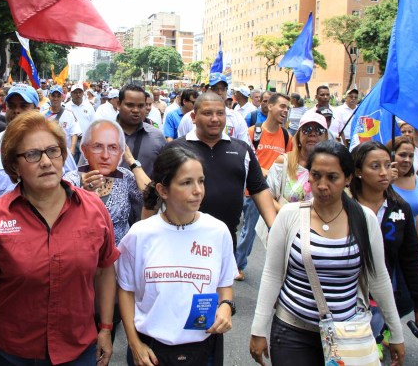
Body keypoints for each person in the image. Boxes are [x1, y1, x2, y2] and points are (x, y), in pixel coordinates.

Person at [0, 112, 119, 366]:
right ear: (14, 165)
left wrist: (105, 328)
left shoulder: (94, 209)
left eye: (53, 151)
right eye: (33, 155)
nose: (46, 162)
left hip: (77, 350)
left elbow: (104, 272)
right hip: (11, 354)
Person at [250, 141, 405, 366]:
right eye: (316, 176)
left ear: (348, 178)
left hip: (347, 335)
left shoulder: (364, 219)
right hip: (292, 331)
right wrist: (258, 329)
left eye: (332, 177)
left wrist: (396, 332)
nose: (322, 185)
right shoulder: (290, 216)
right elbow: (272, 274)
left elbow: (378, 278)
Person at [117, 147, 238, 366]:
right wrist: (134, 343)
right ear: (163, 190)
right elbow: (126, 290)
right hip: (151, 351)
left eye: (201, 181)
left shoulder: (218, 231)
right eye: (186, 183)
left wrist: (226, 306)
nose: (198, 190)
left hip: (204, 349)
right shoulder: (140, 234)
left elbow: (225, 283)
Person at [166, 92, 276, 248]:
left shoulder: (241, 149)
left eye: (220, 113)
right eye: (207, 113)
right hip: (181, 239)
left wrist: (273, 227)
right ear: (193, 117)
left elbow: (259, 188)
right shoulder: (175, 149)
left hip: (226, 241)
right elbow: (156, 193)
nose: (215, 119)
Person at [350, 141, 418, 358]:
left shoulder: (400, 210)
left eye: (387, 165)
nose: (384, 172)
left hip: (378, 297)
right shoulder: (343, 205)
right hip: (341, 296)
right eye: (375, 166)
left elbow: (410, 260)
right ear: (358, 171)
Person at [0, 84, 77, 202]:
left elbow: (73, 181)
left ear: (36, 110)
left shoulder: (54, 145)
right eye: (11, 106)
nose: (17, 111)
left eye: (23, 106)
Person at [235, 93, 292, 281]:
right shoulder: (253, 132)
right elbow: (243, 157)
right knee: (242, 229)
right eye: (282, 106)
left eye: (287, 108)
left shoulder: (286, 136)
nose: (285, 111)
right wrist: (263, 170)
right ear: (269, 107)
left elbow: (290, 163)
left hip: (270, 196)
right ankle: (234, 263)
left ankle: (242, 265)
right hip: (249, 191)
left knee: (263, 232)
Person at [65, 120, 150, 244]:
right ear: (84, 150)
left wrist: (132, 162)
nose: (105, 155)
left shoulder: (125, 176)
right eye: (97, 147)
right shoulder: (71, 181)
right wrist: (84, 195)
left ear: (121, 152)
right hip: (84, 256)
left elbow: (151, 195)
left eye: (113, 148)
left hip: (121, 257)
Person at [266, 113, 329, 208]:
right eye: (307, 129)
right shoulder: (283, 162)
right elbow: (267, 197)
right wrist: (290, 216)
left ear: (326, 136)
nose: (312, 134)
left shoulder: (331, 167)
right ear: (299, 135)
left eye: (319, 130)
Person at [177, 74, 250, 144]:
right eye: (214, 88)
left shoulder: (237, 118)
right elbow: (181, 147)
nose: (219, 92)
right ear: (204, 90)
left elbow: (245, 148)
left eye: (223, 89)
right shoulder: (188, 118)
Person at [114, 84, 166, 178]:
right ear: (118, 104)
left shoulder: (157, 136)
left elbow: (165, 174)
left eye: (141, 106)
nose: (136, 110)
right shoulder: (102, 134)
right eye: (130, 105)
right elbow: (83, 172)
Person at [386, 136, 418, 253]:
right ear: (390, 155)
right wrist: (387, 183)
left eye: (411, 156)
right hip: (389, 245)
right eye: (402, 155)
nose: (407, 160)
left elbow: (416, 215)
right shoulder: (382, 181)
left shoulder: (416, 179)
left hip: (410, 247)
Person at [44, 84, 82, 158]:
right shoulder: (43, 115)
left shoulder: (69, 114)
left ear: (62, 97)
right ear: (49, 97)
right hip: (48, 153)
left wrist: (72, 149)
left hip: (66, 153)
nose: (55, 98)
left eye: (58, 96)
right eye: (53, 96)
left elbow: (74, 132)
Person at [65, 84, 95, 162]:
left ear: (83, 93)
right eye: (75, 92)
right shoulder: (66, 107)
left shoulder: (89, 106)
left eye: (80, 92)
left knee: (85, 165)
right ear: (71, 93)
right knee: (72, 164)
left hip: (85, 140)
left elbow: (94, 124)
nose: (78, 94)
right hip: (70, 142)